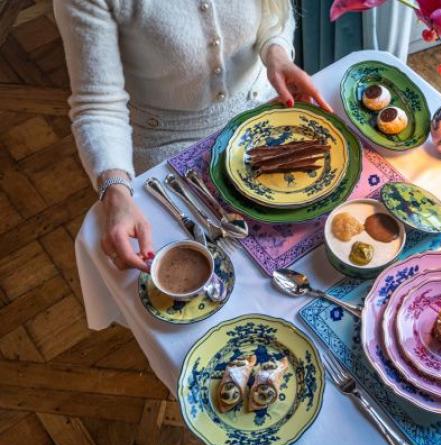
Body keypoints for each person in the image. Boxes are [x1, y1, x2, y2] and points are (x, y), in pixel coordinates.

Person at [54, 0, 330, 271]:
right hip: (169, 147)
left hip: (264, 109)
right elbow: (97, 106)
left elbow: (274, 13)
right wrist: (115, 193)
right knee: (217, 275)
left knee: (320, 242)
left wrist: (276, 54)